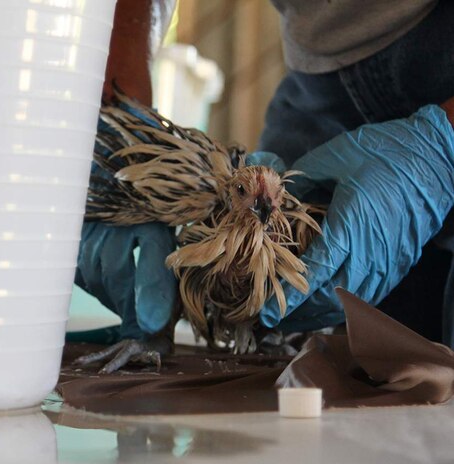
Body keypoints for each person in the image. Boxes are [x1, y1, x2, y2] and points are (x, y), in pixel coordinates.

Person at [72, 0, 454, 371]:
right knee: (370, 362)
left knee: (434, 372)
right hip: (320, 71)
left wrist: (442, 148)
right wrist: (117, 141)